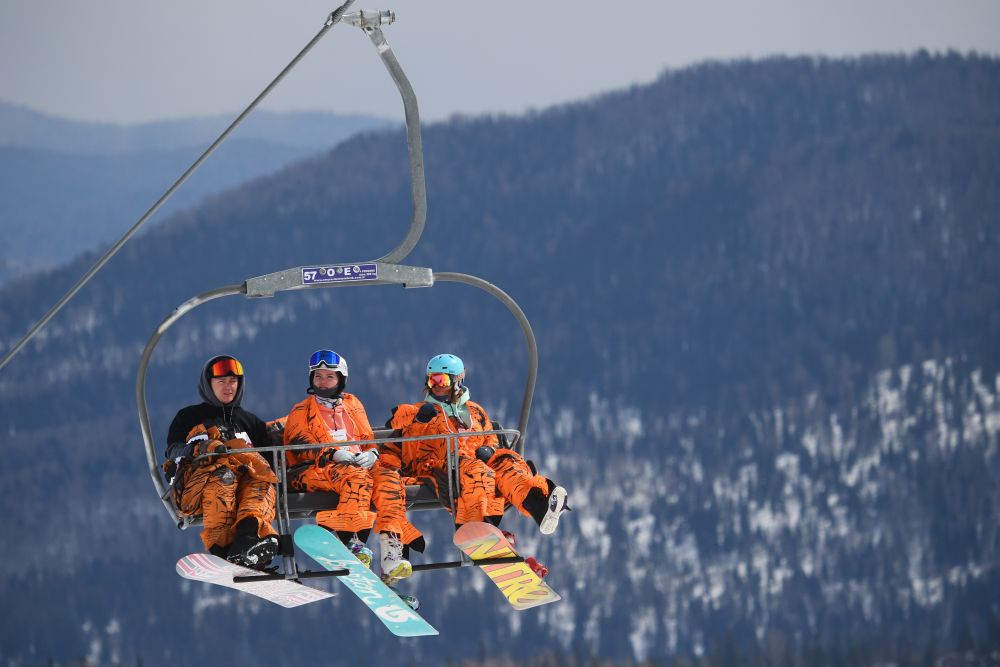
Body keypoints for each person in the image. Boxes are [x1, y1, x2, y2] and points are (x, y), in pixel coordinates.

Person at [384, 353, 570, 545]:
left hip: (475, 464)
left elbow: (489, 436)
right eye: (433, 380)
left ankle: (539, 505)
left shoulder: (475, 411)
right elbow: (395, 425)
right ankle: (476, 528)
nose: (437, 385)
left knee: (508, 461)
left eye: (442, 380)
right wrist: (419, 419)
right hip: (438, 466)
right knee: (477, 471)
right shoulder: (418, 411)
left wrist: (489, 450)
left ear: (457, 381)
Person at [281, 349, 422, 588]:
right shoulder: (301, 410)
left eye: (329, 377)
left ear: (341, 379)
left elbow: (367, 438)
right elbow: (299, 445)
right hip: (314, 470)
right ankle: (351, 540)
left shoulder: (352, 404)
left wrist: (372, 454)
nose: (322, 382)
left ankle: (391, 549)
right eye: (318, 376)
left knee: (389, 478)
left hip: (356, 464)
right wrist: (333, 453)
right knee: (356, 477)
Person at [164, 355, 279, 570]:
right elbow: (173, 450)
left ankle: (248, 539)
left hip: (246, 480)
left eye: (233, 381)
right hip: (204, 483)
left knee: (262, 482)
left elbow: (271, 458)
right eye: (221, 382)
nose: (228, 387)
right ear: (209, 385)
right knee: (224, 477)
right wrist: (197, 449)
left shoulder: (249, 422)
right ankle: (222, 547)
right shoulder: (190, 417)